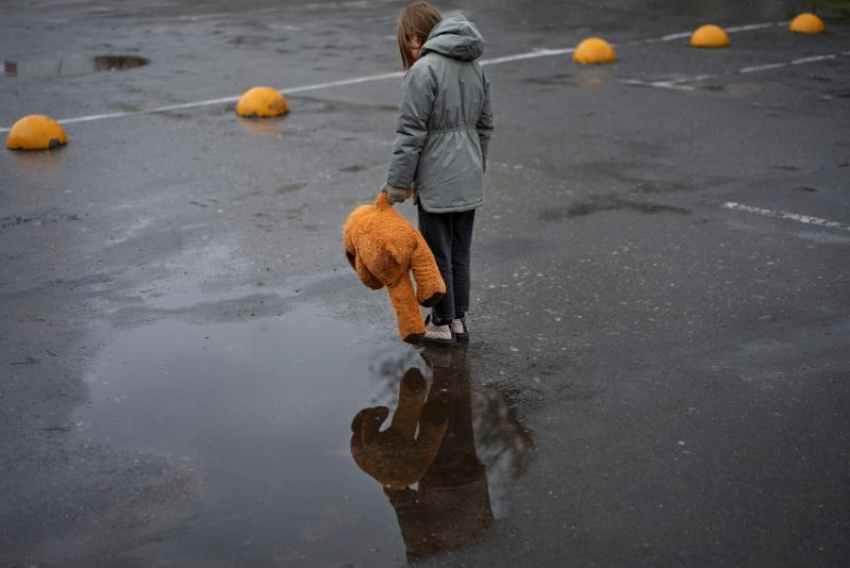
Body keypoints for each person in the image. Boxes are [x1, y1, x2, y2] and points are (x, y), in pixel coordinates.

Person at [383, 1, 493, 346]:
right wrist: (475, 166)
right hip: (468, 175)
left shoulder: (423, 71)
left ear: (416, 37)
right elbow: (485, 126)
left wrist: (397, 184)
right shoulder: (475, 67)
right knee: (460, 252)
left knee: (435, 254)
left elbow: (410, 134)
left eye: (407, 42)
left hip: (436, 179)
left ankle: (441, 322)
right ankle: (458, 319)